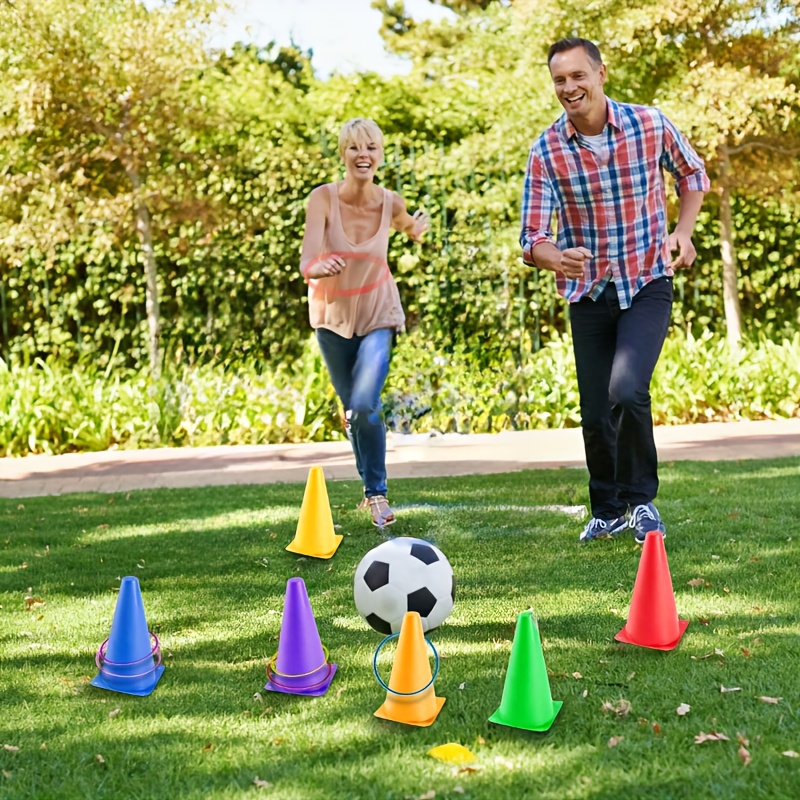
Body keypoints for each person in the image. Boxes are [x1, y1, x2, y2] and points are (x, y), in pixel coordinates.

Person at [520, 38, 710, 544]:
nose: (569, 88)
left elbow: (693, 173)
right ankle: (606, 510)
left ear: (601, 73)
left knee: (627, 388)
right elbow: (531, 235)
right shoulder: (547, 150)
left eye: (578, 76)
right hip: (588, 292)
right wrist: (554, 256)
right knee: (594, 411)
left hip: (647, 279)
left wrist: (683, 232)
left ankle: (641, 503)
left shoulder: (649, 124)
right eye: (560, 80)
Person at [299, 118, 428, 528]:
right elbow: (307, 261)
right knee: (355, 410)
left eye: (370, 147)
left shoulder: (390, 201)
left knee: (366, 403)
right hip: (332, 316)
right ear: (343, 154)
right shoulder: (322, 199)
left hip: (377, 311)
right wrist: (320, 265)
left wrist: (416, 231)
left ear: (380, 154)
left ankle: (376, 494)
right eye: (354, 147)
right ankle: (368, 479)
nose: (363, 155)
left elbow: (408, 225)